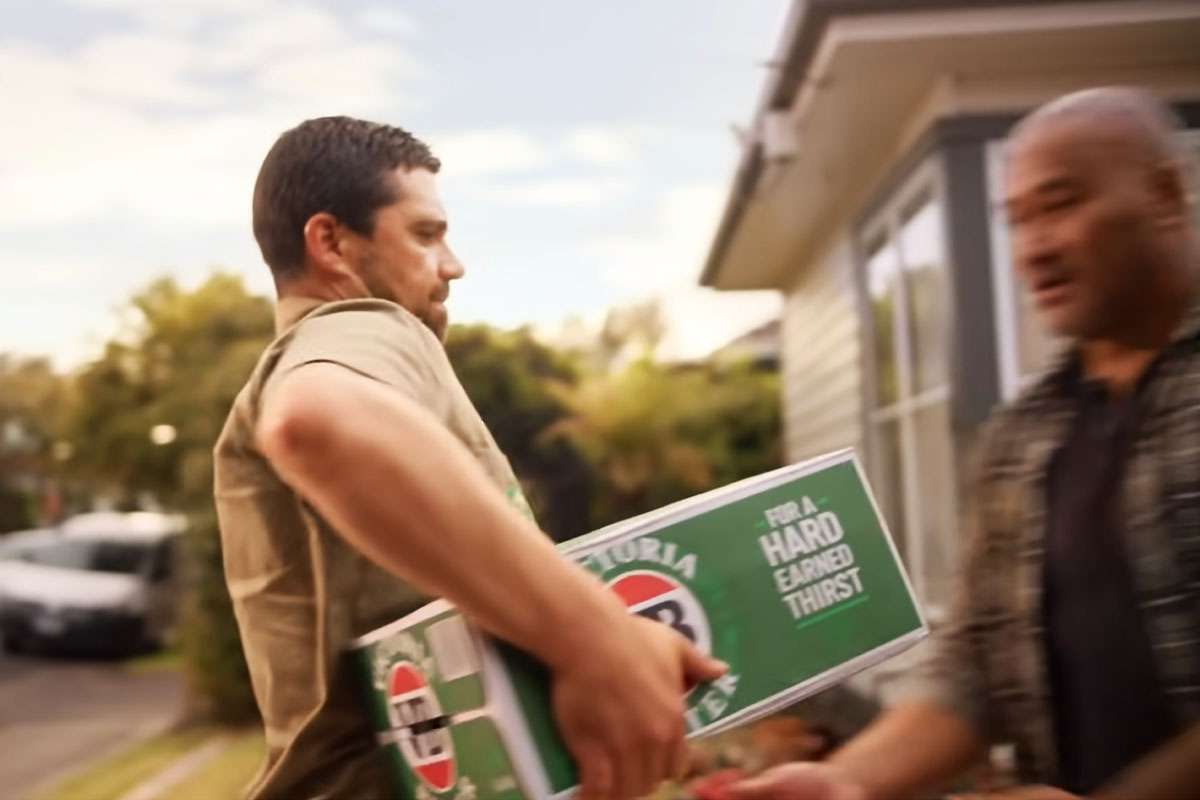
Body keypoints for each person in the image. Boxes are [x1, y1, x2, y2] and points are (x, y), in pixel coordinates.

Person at [214, 116, 725, 800]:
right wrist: (597, 641)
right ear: (331, 242)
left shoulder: (300, 363)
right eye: (425, 234)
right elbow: (318, 420)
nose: (453, 264)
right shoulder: (364, 326)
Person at [719, 87, 1200, 800]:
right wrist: (846, 781)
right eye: (1018, 220)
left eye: (1063, 204)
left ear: (1163, 195)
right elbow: (977, 662)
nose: (1034, 249)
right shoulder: (1026, 433)